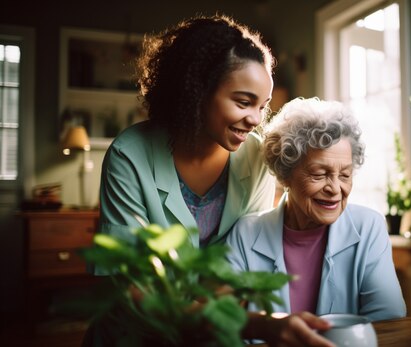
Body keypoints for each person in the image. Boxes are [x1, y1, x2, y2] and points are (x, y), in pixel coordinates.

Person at [86, 14, 334, 347]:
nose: (256, 120)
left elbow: (247, 263)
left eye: (263, 106)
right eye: (243, 102)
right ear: (197, 89)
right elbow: (135, 291)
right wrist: (257, 325)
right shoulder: (129, 155)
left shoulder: (256, 157)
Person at [225, 97, 407, 322]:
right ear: (286, 174)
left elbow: (388, 318)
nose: (335, 188)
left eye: (345, 175)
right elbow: (224, 323)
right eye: (319, 174)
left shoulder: (369, 227)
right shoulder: (246, 233)